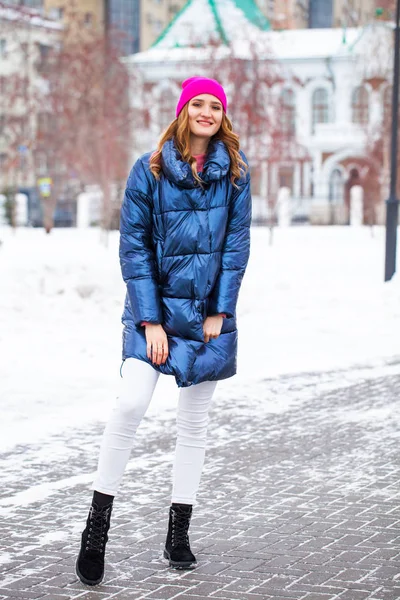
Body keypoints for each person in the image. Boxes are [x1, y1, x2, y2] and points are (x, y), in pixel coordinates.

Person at [75, 76, 252, 586]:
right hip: (150, 317)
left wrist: (220, 310)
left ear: (223, 115)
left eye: (214, 105)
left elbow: (236, 247)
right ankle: (95, 531)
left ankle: (178, 533)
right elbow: (133, 248)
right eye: (197, 103)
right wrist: (150, 319)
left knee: (193, 426)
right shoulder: (148, 170)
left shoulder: (236, 173)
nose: (205, 112)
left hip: (208, 320)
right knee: (130, 404)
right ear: (181, 111)